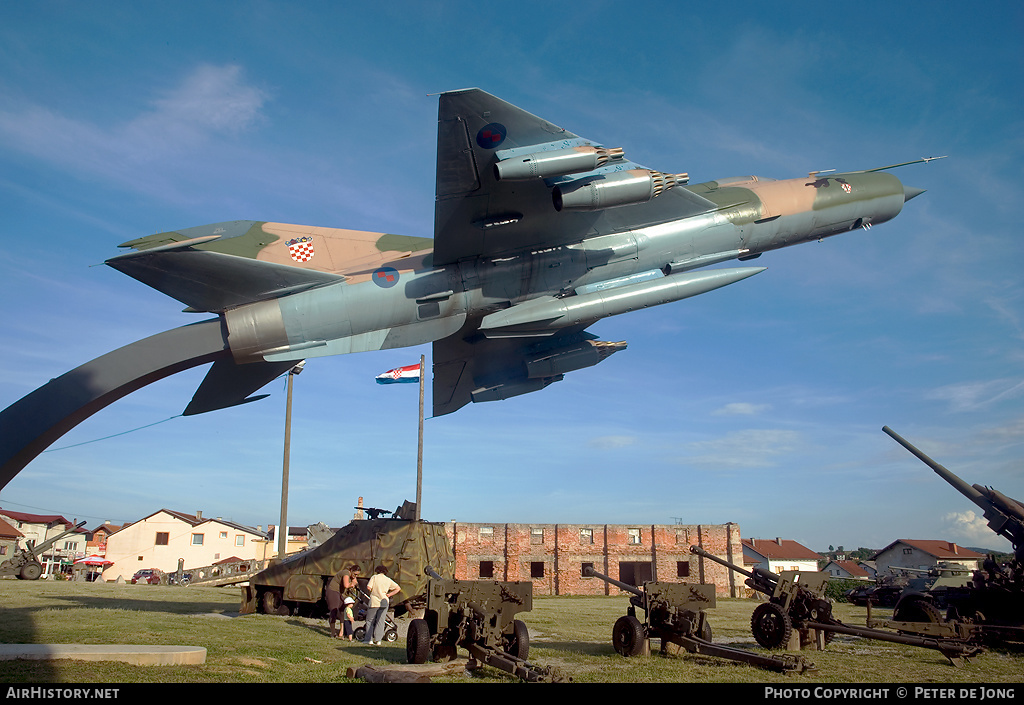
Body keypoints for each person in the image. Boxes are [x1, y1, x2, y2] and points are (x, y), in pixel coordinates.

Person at [362, 564, 400, 645]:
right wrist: (389, 595)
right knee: (381, 621)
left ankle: (368, 639)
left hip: (374, 601)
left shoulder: (374, 577)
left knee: (370, 620)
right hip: (384, 601)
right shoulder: (388, 579)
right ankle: (378, 639)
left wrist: (371, 592)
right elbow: (398, 588)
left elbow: (369, 587)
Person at [326, 565, 358, 638]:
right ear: (351, 571)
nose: (356, 576)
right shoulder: (346, 573)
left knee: (343, 611)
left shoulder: (352, 575)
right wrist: (352, 583)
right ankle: (333, 633)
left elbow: (353, 583)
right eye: (355, 574)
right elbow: (346, 585)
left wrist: (354, 581)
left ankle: (341, 632)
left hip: (340, 593)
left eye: (357, 574)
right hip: (333, 591)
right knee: (334, 610)